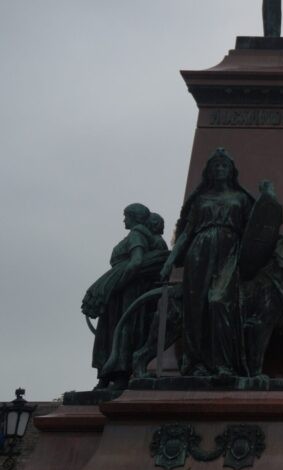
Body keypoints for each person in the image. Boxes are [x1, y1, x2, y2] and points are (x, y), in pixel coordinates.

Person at [159, 149, 255, 378]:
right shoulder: (200, 200)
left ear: (232, 171)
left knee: (219, 301)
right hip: (199, 251)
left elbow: (254, 231)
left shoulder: (241, 199)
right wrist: (170, 261)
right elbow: (186, 233)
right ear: (209, 171)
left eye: (224, 166)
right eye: (216, 166)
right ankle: (196, 363)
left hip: (230, 251)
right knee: (195, 307)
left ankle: (224, 363)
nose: (220, 169)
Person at [82, 203, 169, 389]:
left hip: (125, 292)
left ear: (135, 217)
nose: (124, 219)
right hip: (128, 291)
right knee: (118, 331)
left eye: (126, 216)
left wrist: (114, 284)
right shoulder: (146, 236)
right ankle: (109, 375)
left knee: (119, 330)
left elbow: (136, 262)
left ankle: (116, 375)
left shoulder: (137, 235)